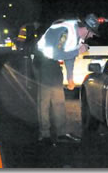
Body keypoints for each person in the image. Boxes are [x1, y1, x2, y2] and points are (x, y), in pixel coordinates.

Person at [34, 13, 101, 144]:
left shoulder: (77, 37)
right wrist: (78, 51)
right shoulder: (64, 30)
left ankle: (61, 133)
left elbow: (69, 57)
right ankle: (44, 135)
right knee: (45, 100)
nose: (92, 36)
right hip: (43, 61)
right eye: (92, 33)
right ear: (86, 29)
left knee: (59, 100)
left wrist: (70, 77)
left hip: (53, 64)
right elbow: (56, 53)